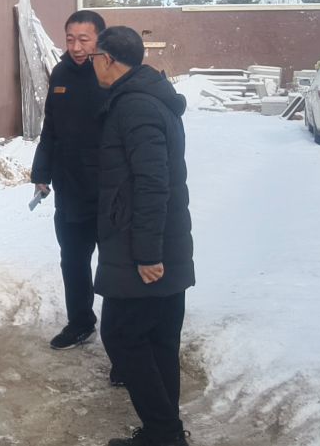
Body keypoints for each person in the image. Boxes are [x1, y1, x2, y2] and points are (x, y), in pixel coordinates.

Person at [89, 26, 196, 446]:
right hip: (158, 239)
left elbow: (152, 183)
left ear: (108, 59)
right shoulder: (149, 97)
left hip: (145, 246)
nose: (92, 64)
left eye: (94, 56)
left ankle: (164, 432)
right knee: (159, 340)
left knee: (122, 336)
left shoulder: (135, 106)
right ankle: (164, 430)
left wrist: (148, 253)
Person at [30, 10, 108, 353]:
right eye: (70, 39)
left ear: (100, 39)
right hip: (71, 188)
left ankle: (122, 341)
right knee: (73, 260)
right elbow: (51, 127)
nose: (76, 47)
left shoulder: (111, 74)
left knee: (115, 267)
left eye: (84, 40)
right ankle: (80, 322)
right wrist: (41, 174)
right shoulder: (61, 73)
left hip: (109, 191)